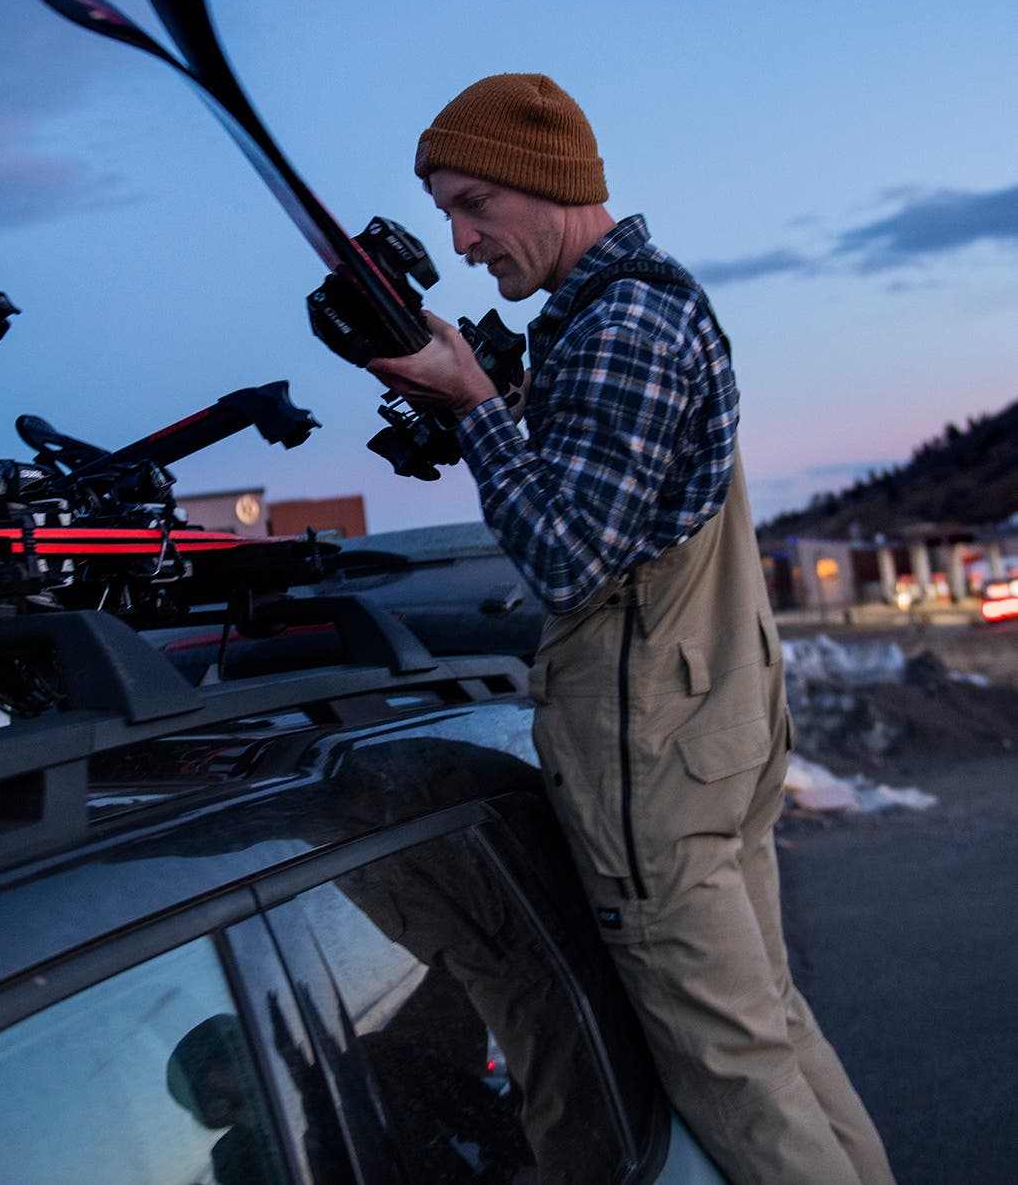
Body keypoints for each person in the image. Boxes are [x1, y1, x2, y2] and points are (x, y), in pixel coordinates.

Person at [366, 73, 894, 1185]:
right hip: (711, 731)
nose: (460, 243)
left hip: (654, 760)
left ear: (547, 184)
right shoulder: (645, 303)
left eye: (474, 205)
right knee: (771, 1032)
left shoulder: (618, 329)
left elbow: (565, 554)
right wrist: (493, 406)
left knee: (733, 1072)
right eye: (445, 215)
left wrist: (475, 413)